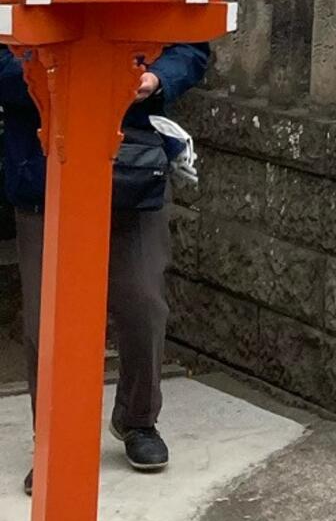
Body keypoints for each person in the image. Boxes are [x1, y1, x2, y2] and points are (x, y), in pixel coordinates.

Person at [0, 42, 210, 491]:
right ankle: (54, 442)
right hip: (43, 163)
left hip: (131, 163)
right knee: (49, 318)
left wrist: (153, 80)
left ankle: (137, 419)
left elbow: (189, 45)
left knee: (143, 301)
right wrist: (61, 82)